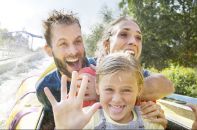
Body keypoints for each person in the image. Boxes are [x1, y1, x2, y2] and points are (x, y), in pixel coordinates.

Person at [36, 10, 168, 128]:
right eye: (63, 44)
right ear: (49, 50)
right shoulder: (46, 88)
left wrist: (104, 90)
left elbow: (165, 86)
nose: (73, 51)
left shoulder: (103, 68)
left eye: (78, 41)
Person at [44, 52, 164, 129]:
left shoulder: (151, 123)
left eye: (126, 90)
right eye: (109, 89)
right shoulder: (87, 119)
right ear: (97, 88)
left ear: (139, 89)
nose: (117, 99)